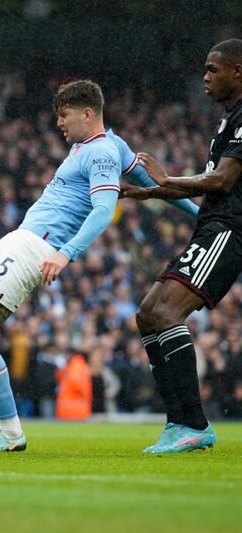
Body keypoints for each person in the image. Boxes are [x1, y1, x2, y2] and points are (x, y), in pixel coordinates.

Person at [0, 80, 122, 452]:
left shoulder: (101, 153)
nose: (59, 124)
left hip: (35, 248)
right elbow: (141, 173)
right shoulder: (100, 147)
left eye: (64, 116)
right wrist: (195, 211)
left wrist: (66, 253)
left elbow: (103, 212)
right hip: (16, 242)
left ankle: (11, 431)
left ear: (87, 113)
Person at [122, 38, 242, 453]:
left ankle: (194, 422)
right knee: (147, 314)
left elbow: (223, 181)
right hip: (210, 227)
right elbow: (211, 186)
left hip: (229, 232)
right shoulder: (228, 121)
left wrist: (168, 179)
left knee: (168, 311)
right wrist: (147, 193)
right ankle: (177, 422)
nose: (205, 77)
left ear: (238, 71)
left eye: (213, 69)